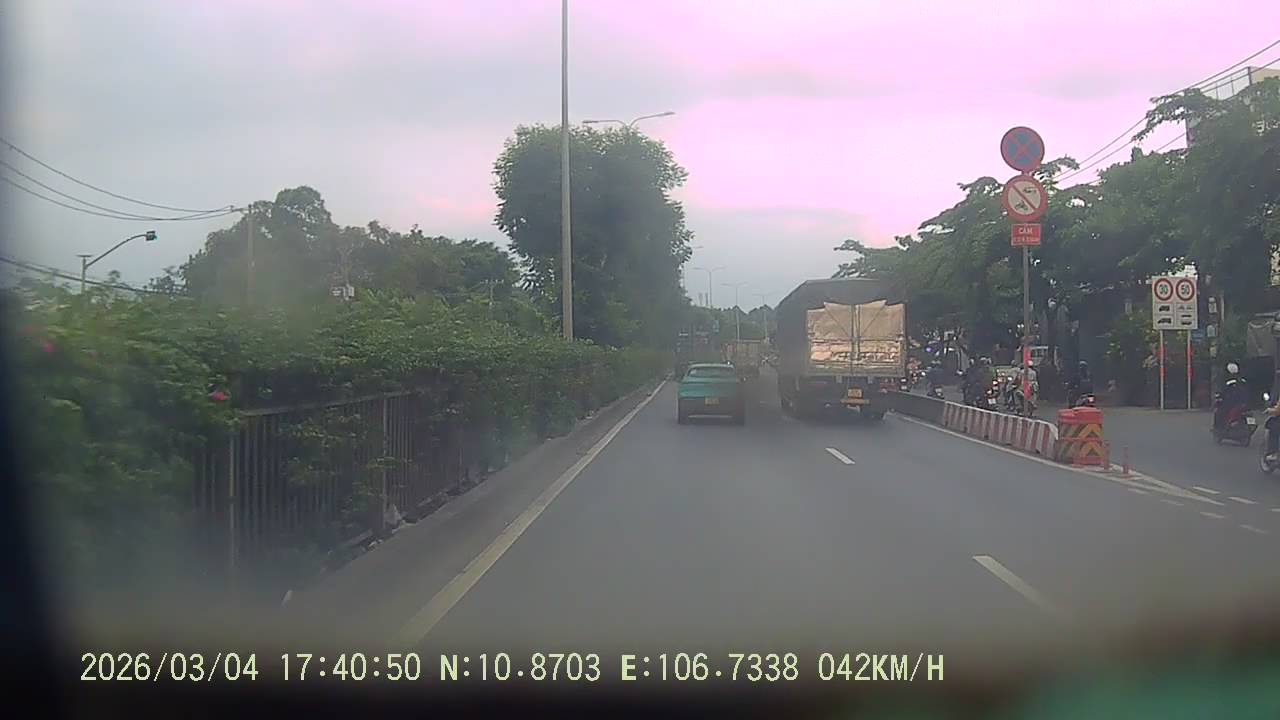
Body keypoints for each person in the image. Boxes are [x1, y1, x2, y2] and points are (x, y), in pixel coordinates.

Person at [1214, 362, 1249, 431]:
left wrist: (1219, 396)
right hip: (1243, 402)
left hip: (1232, 403)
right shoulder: (1242, 380)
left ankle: (1219, 429)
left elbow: (1223, 391)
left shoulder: (1228, 381)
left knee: (1219, 412)